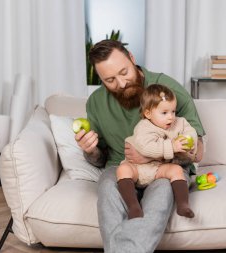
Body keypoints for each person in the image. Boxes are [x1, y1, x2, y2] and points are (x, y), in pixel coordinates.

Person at [75, 39, 205, 253]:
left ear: (132, 59)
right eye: (110, 80)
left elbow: (198, 151)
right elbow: (99, 159)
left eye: (124, 72)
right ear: (101, 79)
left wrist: (154, 153)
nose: (121, 83)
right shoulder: (96, 102)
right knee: (107, 187)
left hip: (164, 169)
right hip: (121, 167)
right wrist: (90, 150)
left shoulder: (167, 89)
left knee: (164, 190)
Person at [118, 84, 197, 219]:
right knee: (123, 170)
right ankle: (133, 207)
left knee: (176, 170)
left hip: (159, 168)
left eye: (173, 111)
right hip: (138, 168)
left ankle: (183, 205)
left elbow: (191, 132)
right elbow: (146, 148)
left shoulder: (179, 123)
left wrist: (189, 141)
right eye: (164, 113)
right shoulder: (143, 127)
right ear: (148, 113)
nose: (171, 117)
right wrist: (171, 147)